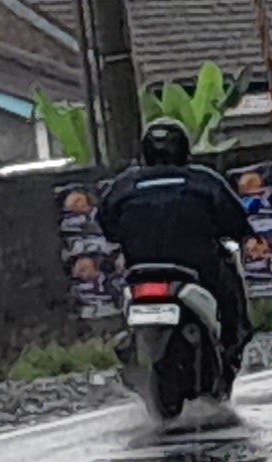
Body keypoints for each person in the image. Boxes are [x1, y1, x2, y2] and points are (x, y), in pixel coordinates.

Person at [95, 119, 259, 357]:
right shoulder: (203, 180)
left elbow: (107, 224)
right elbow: (234, 220)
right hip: (199, 268)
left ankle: (130, 344)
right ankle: (231, 345)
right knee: (229, 290)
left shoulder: (124, 185)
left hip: (141, 270)